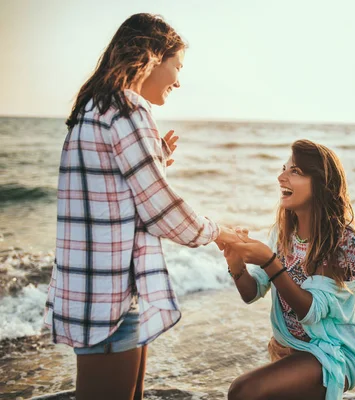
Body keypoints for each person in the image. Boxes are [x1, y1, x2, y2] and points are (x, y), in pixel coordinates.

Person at [43, 13, 238, 400]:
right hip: (111, 295)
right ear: (151, 57)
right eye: (177, 66)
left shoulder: (94, 107)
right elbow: (160, 207)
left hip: (92, 288)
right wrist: (220, 233)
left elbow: (109, 187)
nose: (179, 80)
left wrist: (156, 156)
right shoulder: (129, 109)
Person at [224, 139, 355, 400]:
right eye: (283, 169)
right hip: (290, 348)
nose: (281, 177)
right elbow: (251, 292)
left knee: (242, 392)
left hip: (332, 353)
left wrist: (269, 261)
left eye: (295, 172)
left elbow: (311, 311)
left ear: (321, 183)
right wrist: (236, 264)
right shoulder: (283, 233)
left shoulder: (341, 240)